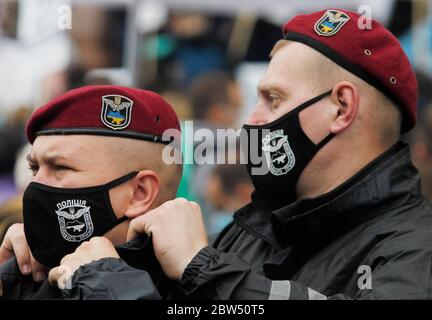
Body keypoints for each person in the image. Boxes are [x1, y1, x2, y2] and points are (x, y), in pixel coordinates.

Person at [126, 9, 432, 299]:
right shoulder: (261, 225)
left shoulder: (416, 249)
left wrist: (205, 270)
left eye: (273, 99)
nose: (252, 120)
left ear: (341, 107)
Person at [0, 85, 183, 299]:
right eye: (35, 168)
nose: (34, 185)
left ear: (139, 193)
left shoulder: (203, 289)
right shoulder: (21, 275)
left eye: (60, 168)